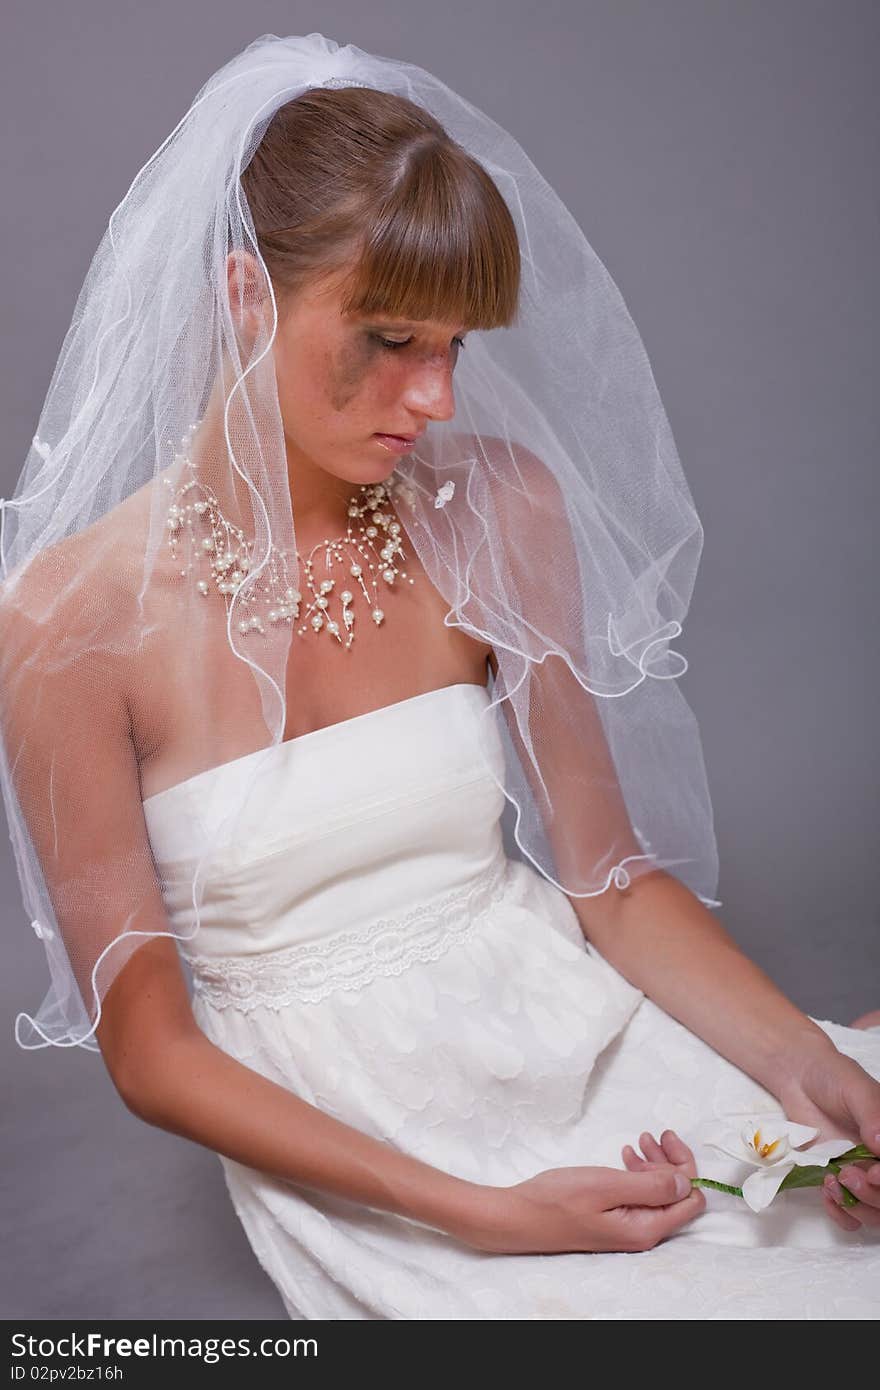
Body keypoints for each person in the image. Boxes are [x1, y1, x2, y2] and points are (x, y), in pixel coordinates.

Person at [1, 33, 878, 1321]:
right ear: (247, 294)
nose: (436, 399)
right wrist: (487, 1217)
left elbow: (612, 884)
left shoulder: (496, 514)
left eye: (459, 346)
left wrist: (808, 1070)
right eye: (391, 335)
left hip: (560, 1025)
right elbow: (150, 1049)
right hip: (364, 1145)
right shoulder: (69, 623)